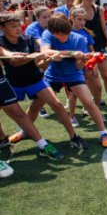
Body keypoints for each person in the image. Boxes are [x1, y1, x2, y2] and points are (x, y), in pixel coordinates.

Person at [40, 14, 107, 148]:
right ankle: (25, 131)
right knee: (37, 104)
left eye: (66, 34)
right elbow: (45, 51)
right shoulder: (47, 34)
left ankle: (104, 133)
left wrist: (83, 59)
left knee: (88, 102)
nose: (64, 37)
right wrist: (71, 53)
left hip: (73, 75)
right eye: (60, 35)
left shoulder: (79, 38)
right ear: (53, 32)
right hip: (52, 76)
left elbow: (79, 66)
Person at [0, 14, 66, 159]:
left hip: (22, 80)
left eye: (19, 25)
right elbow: (10, 58)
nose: (18, 29)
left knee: (19, 114)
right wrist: (28, 56)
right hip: (13, 81)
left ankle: (43, 145)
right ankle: (2, 138)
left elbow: (10, 54)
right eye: (13, 26)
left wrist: (48, 57)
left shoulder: (27, 39)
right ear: (2, 28)